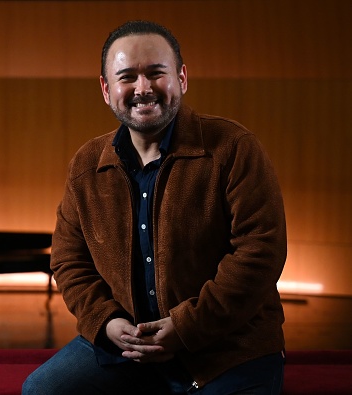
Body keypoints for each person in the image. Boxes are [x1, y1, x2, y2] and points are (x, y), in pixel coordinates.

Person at [22, 20, 287, 395]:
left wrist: (186, 327)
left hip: (227, 349)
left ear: (181, 78)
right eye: (127, 76)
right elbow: (68, 260)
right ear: (106, 88)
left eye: (155, 73)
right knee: (41, 390)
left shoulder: (234, 147)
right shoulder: (86, 164)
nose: (142, 88)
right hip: (124, 348)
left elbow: (261, 252)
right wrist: (106, 322)